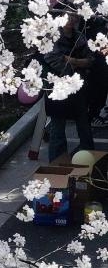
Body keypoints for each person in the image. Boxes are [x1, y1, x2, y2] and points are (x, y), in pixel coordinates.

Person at [45, 9, 96, 162]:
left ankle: (89, 157)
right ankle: (57, 162)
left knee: (83, 122)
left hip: (78, 86)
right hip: (57, 86)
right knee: (58, 127)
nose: (71, 19)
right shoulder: (52, 36)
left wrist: (72, 60)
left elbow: (90, 60)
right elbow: (53, 60)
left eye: (74, 16)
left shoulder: (79, 36)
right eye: (68, 16)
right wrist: (77, 63)